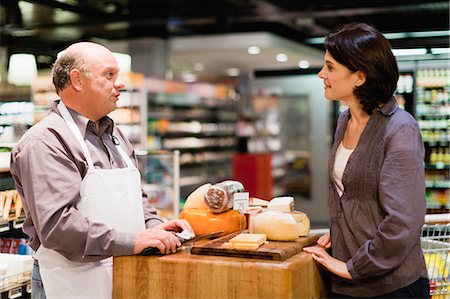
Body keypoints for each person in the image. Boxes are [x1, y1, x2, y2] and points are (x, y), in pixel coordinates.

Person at [9, 41, 193, 299]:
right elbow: (57, 226)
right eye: (109, 75)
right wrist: (133, 241)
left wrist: (154, 226)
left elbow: (134, 197)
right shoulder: (46, 142)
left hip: (124, 275)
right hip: (70, 282)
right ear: (77, 80)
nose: (120, 84)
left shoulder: (114, 135)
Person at [303, 23, 429, 298]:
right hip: (347, 279)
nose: (321, 74)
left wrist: (353, 267)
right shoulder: (343, 120)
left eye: (331, 67)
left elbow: (404, 221)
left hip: (390, 286)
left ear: (359, 76)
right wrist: (343, 232)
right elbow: (353, 196)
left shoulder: (399, 129)